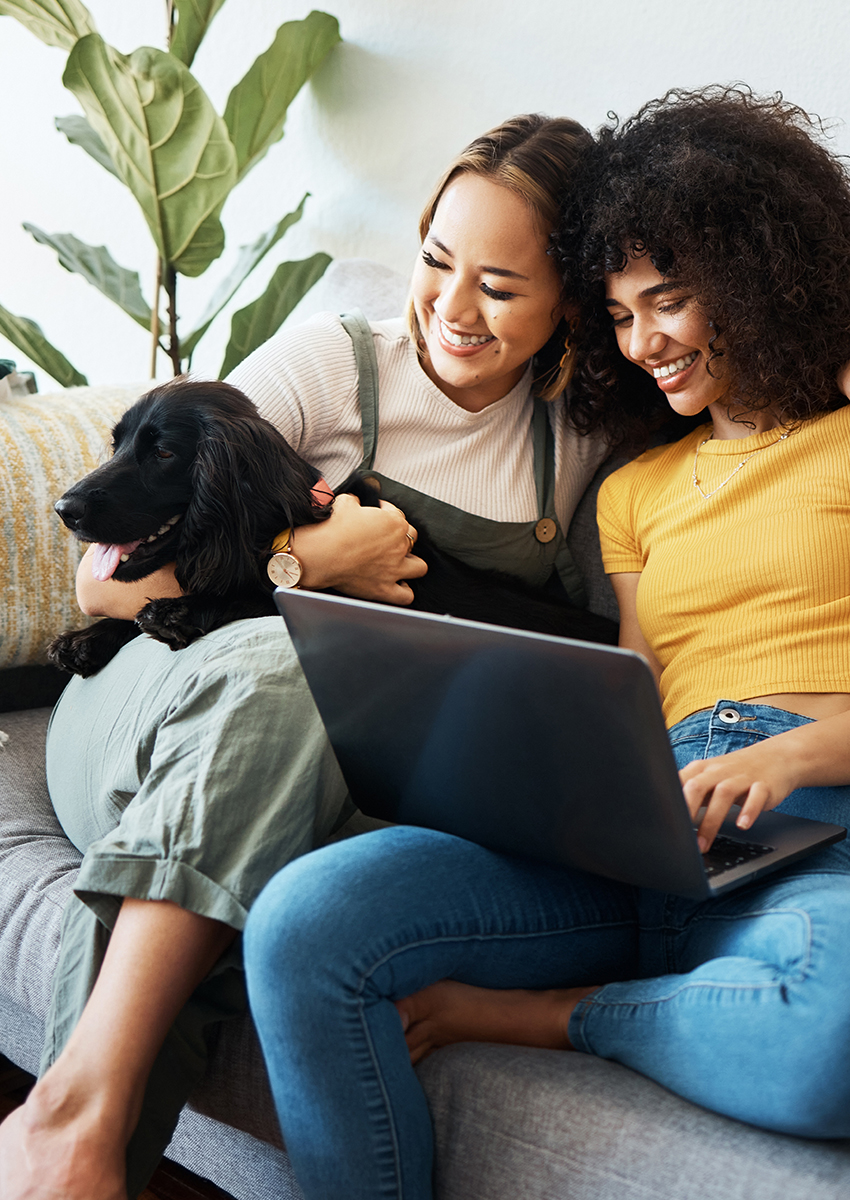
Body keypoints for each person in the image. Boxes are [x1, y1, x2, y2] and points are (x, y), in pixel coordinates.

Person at [242, 86, 850, 1200]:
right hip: (646, 826)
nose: (645, 342)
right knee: (305, 924)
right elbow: (636, 682)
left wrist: (792, 754)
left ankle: (560, 1016)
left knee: (831, 1036)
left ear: (763, 268)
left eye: (669, 301)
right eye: (618, 313)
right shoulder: (635, 487)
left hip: (816, 821)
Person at [0, 114, 611, 1200]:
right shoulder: (330, 367)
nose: (453, 310)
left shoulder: (584, 442)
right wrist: (300, 564)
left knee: (332, 797)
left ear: (570, 300)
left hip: (333, 768)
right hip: (151, 712)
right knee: (284, 676)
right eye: (435, 262)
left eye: (502, 288)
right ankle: (72, 1112)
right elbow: (102, 582)